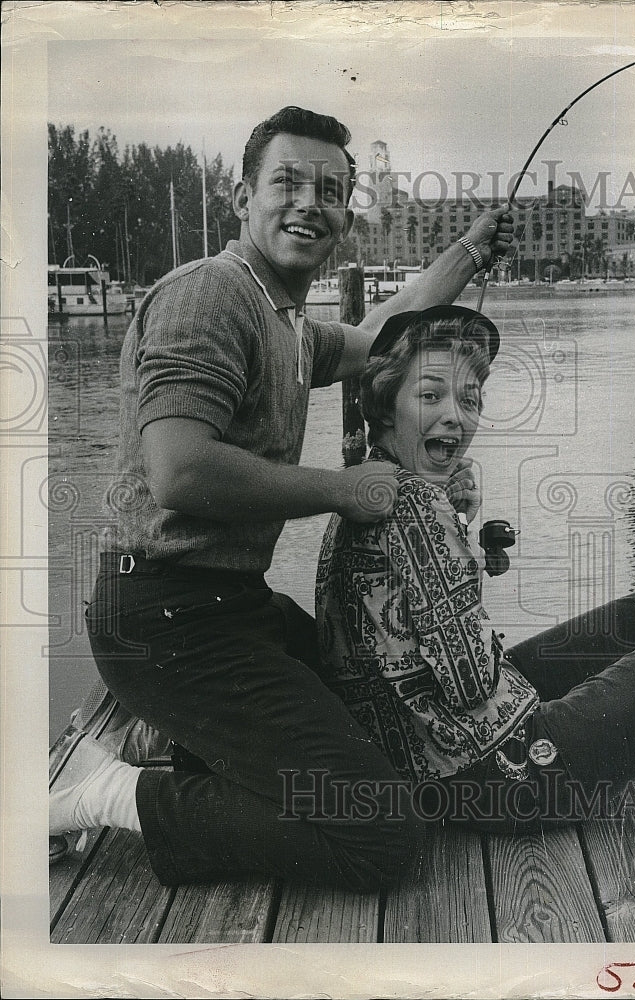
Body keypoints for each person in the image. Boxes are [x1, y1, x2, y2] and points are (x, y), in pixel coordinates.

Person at [49, 106, 515, 890]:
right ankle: (102, 792)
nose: (309, 202)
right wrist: (343, 490)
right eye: (288, 182)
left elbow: (384, 337)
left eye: (331, 190)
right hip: (168, 620)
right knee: (382, 833)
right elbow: (180, 471)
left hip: (230, 606)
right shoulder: (211, 298)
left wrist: (467, 251)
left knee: (375, 731)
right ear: (241, 196)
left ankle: (175, 748)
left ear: (344, 217)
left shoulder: (285, 320)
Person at [314, 305, 635, 827]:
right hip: (501, 774)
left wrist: (451, 521)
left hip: (422, 749)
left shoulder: (367, 487)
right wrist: (450, 535)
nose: (455, 415)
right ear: (386, 406)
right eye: (431, 395)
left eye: (469, 399)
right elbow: (471, 682)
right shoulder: (418, 507)